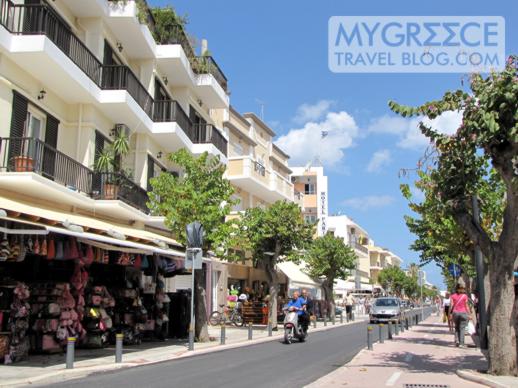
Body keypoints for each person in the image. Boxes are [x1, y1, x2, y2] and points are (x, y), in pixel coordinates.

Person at [448, 280, 473, 348]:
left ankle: (457, 341)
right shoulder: (465, 296)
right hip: (463, 313)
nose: (462, 289)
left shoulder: (452, 296)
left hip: (455, 313)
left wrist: (450, 314)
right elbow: (467, 306)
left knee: (456, 327)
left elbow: (451, 306)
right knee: (462, 328)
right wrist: (469, 314)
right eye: (461, 288)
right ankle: (461, 343)